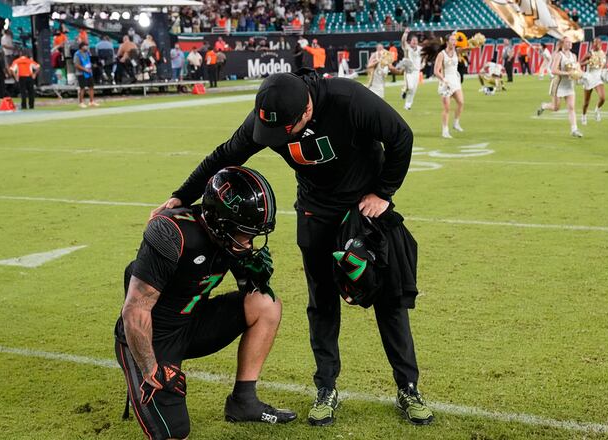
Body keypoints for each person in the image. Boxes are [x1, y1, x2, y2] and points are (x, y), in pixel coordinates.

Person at [150, 71, 434, 427]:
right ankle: (326, 388)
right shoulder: (270, 114)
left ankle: (408, 387)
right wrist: (180, 195)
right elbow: (227, 154)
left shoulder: (349, 99)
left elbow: (400, 136)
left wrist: (383, 192)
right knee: (322, 301)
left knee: (389, 297)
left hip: (364, 209)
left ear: (306, 110)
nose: (275, 139)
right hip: (316, 211)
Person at [116, 167, 297, 440]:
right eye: (244, 233)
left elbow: (248, 284)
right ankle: (148, 374)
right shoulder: (172, 232)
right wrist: (151, 370)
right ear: (219, 223)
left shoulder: (228, 236)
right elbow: (135, 310)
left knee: (265, 304)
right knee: (176, 433)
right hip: (152, 338)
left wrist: (251, 277)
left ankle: (243, 401)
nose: (250, 244)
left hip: (193, 322)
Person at [537, 37, 583, 138]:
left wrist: (580, 75)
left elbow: (577, 69)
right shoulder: (559, 55)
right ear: (562, 44)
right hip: (558, 84)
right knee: (555, 108)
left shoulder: (574, 56)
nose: (570, 43)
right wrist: (567, 73)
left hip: (569, 85)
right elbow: (553, 70)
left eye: (570, 42)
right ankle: (544, 106)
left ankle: (574, 130)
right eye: (567, 42)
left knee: (571, 107)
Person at [434, 33, 465, 138]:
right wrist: (443, 79)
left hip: (455, 80)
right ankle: (445, 131)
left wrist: (476, 44)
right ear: (447, 42)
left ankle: (456, 123)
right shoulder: (441, 54)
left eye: (455, 40)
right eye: (452, 40)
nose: (454, 42)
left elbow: (468, 49)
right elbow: (436, 71)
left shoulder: (457, 51)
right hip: (445, 82)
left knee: (461, 102)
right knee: (447, 108)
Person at [580, 37, 608, 125]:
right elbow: (579, 63)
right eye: (595, 43)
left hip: (598, 78)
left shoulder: (603, 53)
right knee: (586, 102)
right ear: (593, 44)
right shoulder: (589, 53)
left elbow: (604, 65)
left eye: (598, 43)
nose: (596, 44)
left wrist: (606, 74)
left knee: (603, 98)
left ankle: (597, 110)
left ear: (601, 43)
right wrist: (588, 62)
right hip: (589, 78)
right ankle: (584, 116)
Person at [399, 28, 423, 110]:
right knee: (410, 86)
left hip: (417, 72)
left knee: (413, 90)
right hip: (409, 71)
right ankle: (404, 91)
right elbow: (403, 42)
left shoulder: (420, 49)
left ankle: (408, 105)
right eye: (413, 40)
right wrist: (405, 33)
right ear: (410, 41)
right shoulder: (407, 47)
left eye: (416, 40)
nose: (415, 41)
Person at [74, 42, 98, 108]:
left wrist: (92, 66)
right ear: (82, 47)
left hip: (89, 72)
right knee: (82, 88)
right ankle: (81, 102)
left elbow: (88, 62)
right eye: (85, 46)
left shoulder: (87, 53)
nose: (87, 47)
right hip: (81, 73)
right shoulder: (77, 54)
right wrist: (85, 69)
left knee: (91, 86)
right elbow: (76, 65)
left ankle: (91, 101)